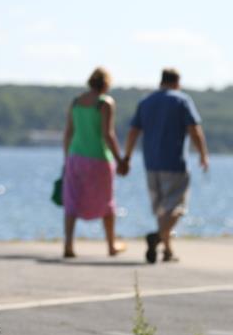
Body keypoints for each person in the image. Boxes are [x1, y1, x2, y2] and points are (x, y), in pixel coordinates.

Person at [120, 68, 209, 263]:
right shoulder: (182, 100)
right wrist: (203, 154)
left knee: (161, 209)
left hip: (151, 163)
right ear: (177, 82)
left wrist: (126, 156)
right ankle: (158, 236)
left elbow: (133, 131)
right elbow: (194, 129)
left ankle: (167, 250)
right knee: (176, 207)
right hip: (175, 162)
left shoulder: (145, 102)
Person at [62, 67, 126, 258]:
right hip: (99, 159)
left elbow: (68, 133)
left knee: (72, 201)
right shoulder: (105, 103)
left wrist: (67, 160)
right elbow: (108, 134)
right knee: (107, 203)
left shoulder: (76, 102)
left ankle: (68, 245)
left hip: (75, 158)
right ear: (106, 84)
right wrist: (120, 159)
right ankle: (111, 244)